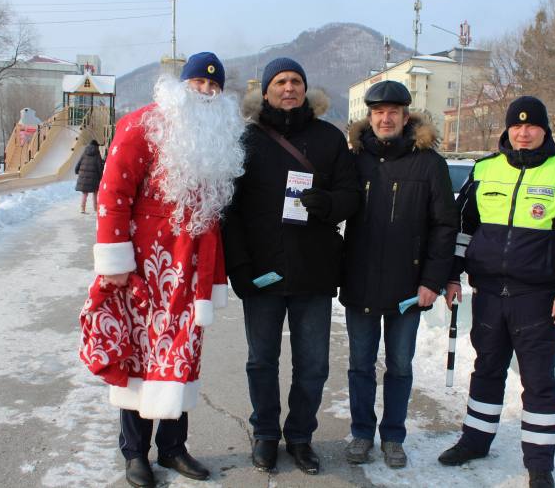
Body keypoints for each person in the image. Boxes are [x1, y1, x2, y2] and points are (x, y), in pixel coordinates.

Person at [81, 52, 245, 487]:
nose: (206, 92)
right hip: (144, 266)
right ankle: (135, 452)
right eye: (199, 84)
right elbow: (113, 191)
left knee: (183, 355)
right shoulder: (141, 125)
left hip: (191, 270)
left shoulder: (219, 137)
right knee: (139, 354)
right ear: (181, 86)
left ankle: (173, 448)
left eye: (214, 87)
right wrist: (115, 262)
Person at [438, 96, 555, 488]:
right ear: (507, 130)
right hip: (489, 293)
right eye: (516, 126)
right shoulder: (484, 170)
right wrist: (454, 276)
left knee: (539, 380)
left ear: (544, 130)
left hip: (538, 298)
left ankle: (540, 463)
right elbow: (462, 229)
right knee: (487, 370)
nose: (523, 132)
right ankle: (475, 440)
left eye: (531, 126)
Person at [222, 57, 359, 475]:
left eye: (296, 81)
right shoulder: (245, 141)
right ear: (265, 91)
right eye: (280, 81)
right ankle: (265, 434)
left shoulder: (328, 138)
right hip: (262, 272)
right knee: (261, 360)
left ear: (305, 89)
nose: (288, 88)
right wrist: (239, 269)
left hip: (313, 271)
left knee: (313, 364)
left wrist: (330, 204)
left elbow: (352, 194)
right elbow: (230, 210)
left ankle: (300, 436)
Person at [339, 80, 458, 468]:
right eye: (378, 112)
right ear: (369, 117)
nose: (385, 118)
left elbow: (444, 226)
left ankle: (393, 436)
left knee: (401, 365)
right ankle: (361, 433)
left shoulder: (430, 164)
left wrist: (432, 281)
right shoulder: (354, 161)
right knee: (360, 363)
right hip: (360, 281)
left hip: (408, 287)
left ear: (406, 117)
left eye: (393, 112)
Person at [74, 139, 103, 213]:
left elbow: (79, 162)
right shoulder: (97, 153)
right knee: (95, 193)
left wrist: (76, 170)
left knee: (85, 193)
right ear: (96, 146)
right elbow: (99, 166)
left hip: (84, 177)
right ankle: (95, 208)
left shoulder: (85, 152)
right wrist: (101, 176)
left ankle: (82, 209)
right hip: (94, 178)